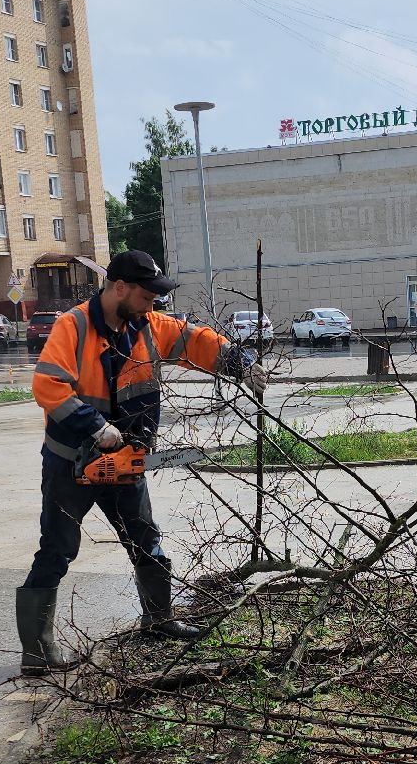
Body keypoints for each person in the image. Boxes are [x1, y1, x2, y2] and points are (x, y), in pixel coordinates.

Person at [17, 249, 265, 675]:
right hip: (71, 463)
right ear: (119, 288)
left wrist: (241, 364)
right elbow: (48, 385)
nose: (152, 304)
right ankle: (37, 652)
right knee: (56, 551)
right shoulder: (72, 326)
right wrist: (94, 426)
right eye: (146, 295)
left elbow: (195, 340)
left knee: (146, 540)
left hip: (127, 460)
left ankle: (159, 618)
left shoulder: (148, 326)